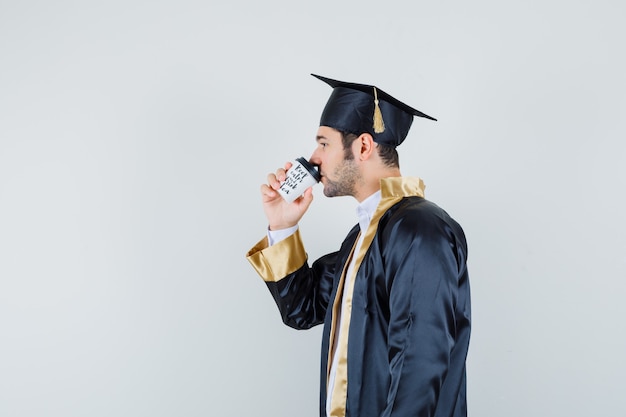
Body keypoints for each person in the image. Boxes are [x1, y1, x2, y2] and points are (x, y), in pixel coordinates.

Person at [246, 74, 471, 417]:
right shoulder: (364, 237)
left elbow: (419, 368)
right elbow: (302, 309)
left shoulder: (419, 230)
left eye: (323, 143)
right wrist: (283, 224)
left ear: (363, 146)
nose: (314, 158)